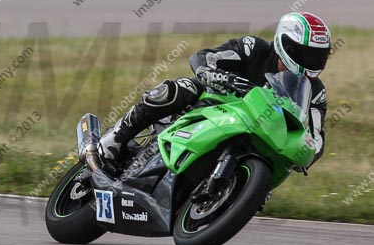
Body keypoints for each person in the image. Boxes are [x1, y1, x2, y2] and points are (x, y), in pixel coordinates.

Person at [98, 12, 330, 174]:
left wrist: (303, 154)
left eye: (318, 56)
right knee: (181, 87)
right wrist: (219, 76)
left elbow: (316, 139)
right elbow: (203, 58)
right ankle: (116, 138)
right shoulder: (254, 48)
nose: (311, 62)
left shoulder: (315, 92)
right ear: (285, 45)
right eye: (305, 54)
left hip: (260, 137)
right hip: (211, 108)